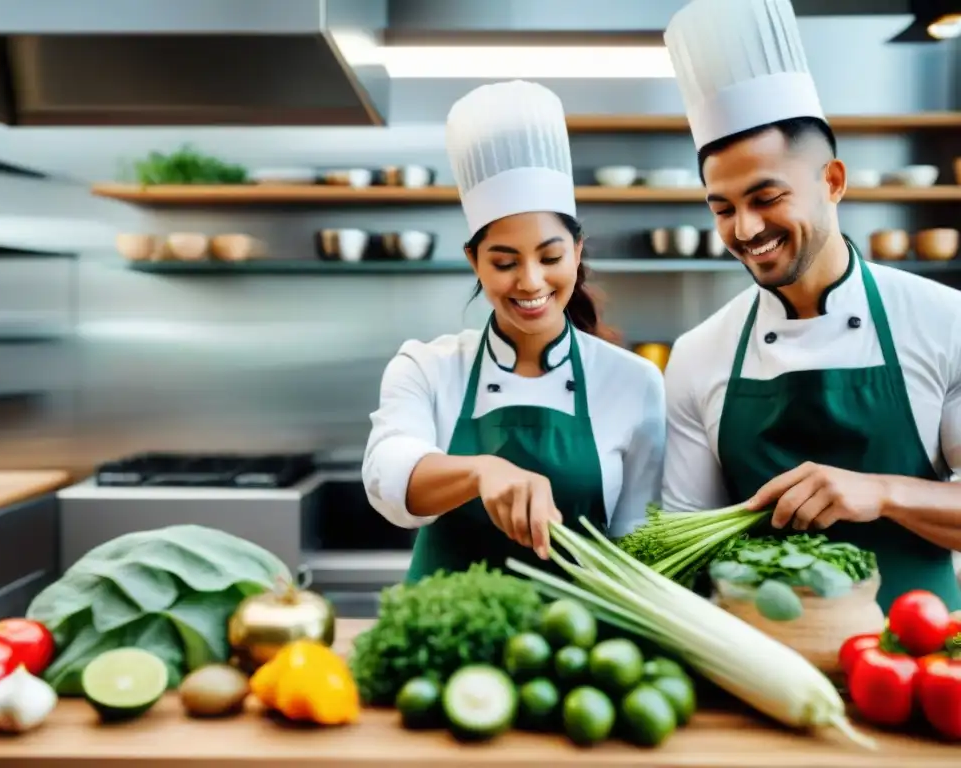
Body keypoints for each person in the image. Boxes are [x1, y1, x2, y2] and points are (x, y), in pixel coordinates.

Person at [660, 0, 961, 611]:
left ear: (832, 181)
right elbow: (681, 556)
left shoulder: (944, 321)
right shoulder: (698, 355)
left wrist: (882, 493)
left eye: (767, 197)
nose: (745, 228)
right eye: (721, 208)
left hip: (917, 661)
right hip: (759, 669)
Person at [363, 80, 666, 584]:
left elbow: (639, 538)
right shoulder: (428, 367)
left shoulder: (634, 381)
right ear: (474, 262)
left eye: (550, 257)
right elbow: (389, 479)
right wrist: (482, 471)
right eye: (504, 262)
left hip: (575, 645)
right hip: (444, 637)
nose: (530, 282)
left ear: (577, 250)